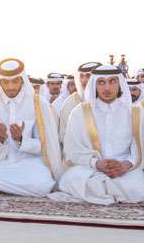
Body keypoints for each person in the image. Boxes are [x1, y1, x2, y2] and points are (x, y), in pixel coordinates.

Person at [53, 65, 144, 205]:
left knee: (137, 184)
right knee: (71, 179)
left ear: (120, 84)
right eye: (101, 82)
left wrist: (128, 164)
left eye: (112, 81)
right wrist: (96, 163)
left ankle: (103, 192)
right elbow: (72, 150)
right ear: (94, 85)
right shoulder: (79, 112)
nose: (107, 88)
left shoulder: (135, 113)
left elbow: (140, 147)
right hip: (91, 169)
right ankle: (113, 192)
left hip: (126, 170)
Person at [0, 58, 62, 197]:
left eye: (15, 81)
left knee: (43, 184)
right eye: (5, 82)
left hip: (29, 163)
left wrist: (21, 140)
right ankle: (21, 189)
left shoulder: (38, 104)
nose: (10, 87)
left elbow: (45, 146)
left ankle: (2, 187)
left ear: (22, 80)